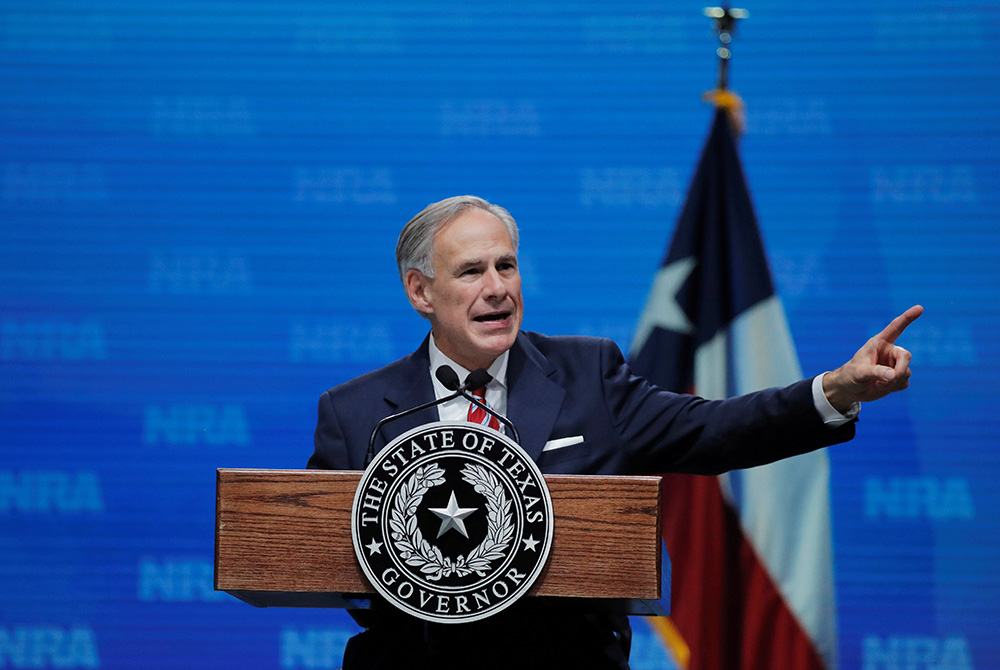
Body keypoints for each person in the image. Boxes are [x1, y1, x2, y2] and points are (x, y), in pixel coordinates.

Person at [308, 195, 922, 670]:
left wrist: (836, 389)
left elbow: (713, 429)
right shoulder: (357, 412)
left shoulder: (588, 374)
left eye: (507, 265)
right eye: (471, 271)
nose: (498, 287)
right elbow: (311, 555)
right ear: (421, 291)